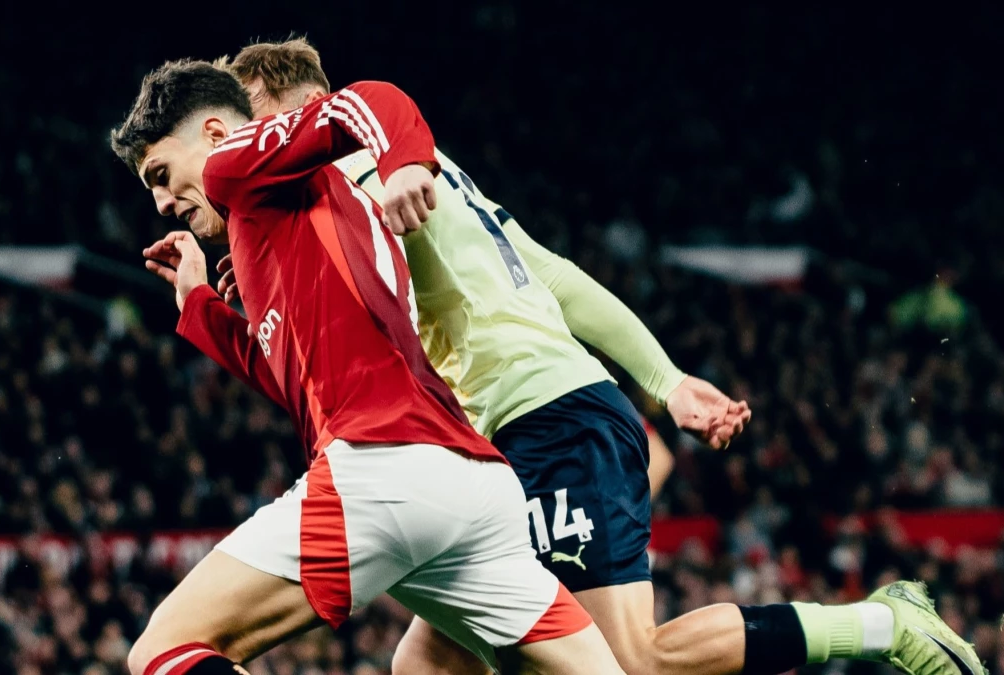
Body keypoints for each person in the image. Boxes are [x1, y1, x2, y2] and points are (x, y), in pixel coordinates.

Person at [213, 38, 987, 675]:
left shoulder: (345, 171)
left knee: (630, 657)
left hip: (544, 421)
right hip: (508, 441)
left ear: (287, 114)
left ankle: (883, 623)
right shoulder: (433, 168)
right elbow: (551, 274)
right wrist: (666, 379)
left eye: (242, 123)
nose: (238, 150)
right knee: (427, 667)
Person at [112, 59, 625, 675]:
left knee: (161, 651)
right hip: (473, 486)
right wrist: (200, 305)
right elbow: (291, 382)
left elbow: (366, 99)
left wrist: (406, 163)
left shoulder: (233, 167)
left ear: (218, 134)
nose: (163, 203)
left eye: (161, 175)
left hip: (384, 469)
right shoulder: (280, 222)